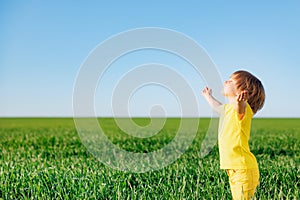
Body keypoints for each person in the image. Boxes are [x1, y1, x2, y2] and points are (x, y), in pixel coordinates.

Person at [202, 70, 265, 200]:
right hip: (234, 170)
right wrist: (208, 96)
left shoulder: (244, 109)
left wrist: (241, 102)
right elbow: (217, 107)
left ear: (241, 91)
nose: (226, 81)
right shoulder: (228, 109)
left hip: (243, 170)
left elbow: (240, 109)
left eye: (231, 81)